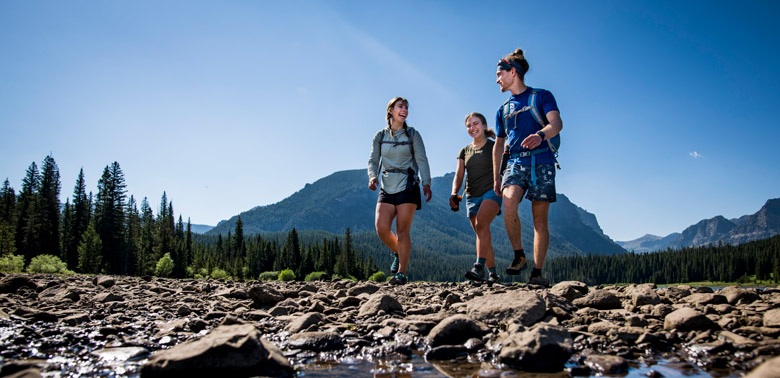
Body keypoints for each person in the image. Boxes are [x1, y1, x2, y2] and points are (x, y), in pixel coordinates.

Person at [492, 48, 563, 286]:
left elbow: (557, 123)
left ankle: (537, 271)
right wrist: (496, 176)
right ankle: (519, 255)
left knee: (539, 221)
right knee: (509, 201)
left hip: (542, 160)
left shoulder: (542, 96)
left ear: (513, 72)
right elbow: (498, 144)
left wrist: (541, 135)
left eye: (499, 73)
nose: (497, 79)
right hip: (515, 162)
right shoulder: (502, 110)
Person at [368, 97, 432, 285]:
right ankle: (398, 252)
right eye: (400, 106)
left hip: (408, 183)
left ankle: (401, 273)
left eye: (406, 107)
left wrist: (426, 183)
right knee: (381, 228)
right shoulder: (380, 136)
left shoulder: (413, 134)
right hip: (386, 185)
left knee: (402, 230)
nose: (404, 109)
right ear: (391, 110)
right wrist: (372, 176)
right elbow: (373, 160)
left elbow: (422, 159)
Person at [450, 112, 503, 284]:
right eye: (469, 125)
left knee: (481, 224)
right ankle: (493, 274)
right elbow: (459, 175)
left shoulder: (494, 146)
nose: (472, 128)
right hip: (471, 196)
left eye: (476, 123)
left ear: (484, 125)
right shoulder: (464, 151)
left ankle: (478, 267)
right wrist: (454, 193)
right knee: (482, 233)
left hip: (492, 192)